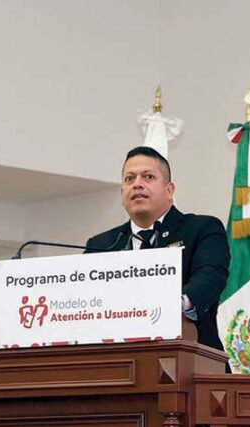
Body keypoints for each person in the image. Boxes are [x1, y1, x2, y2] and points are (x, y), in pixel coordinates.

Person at [85, 146, 230, 352]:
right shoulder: (101, 245)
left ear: (169, 190)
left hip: (192, 358)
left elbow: (210, 276)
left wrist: (167, 306)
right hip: (116, 360)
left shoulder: (202, 228)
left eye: (148, 177)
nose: (137, 184)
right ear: (122, 193)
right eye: (129, 179)